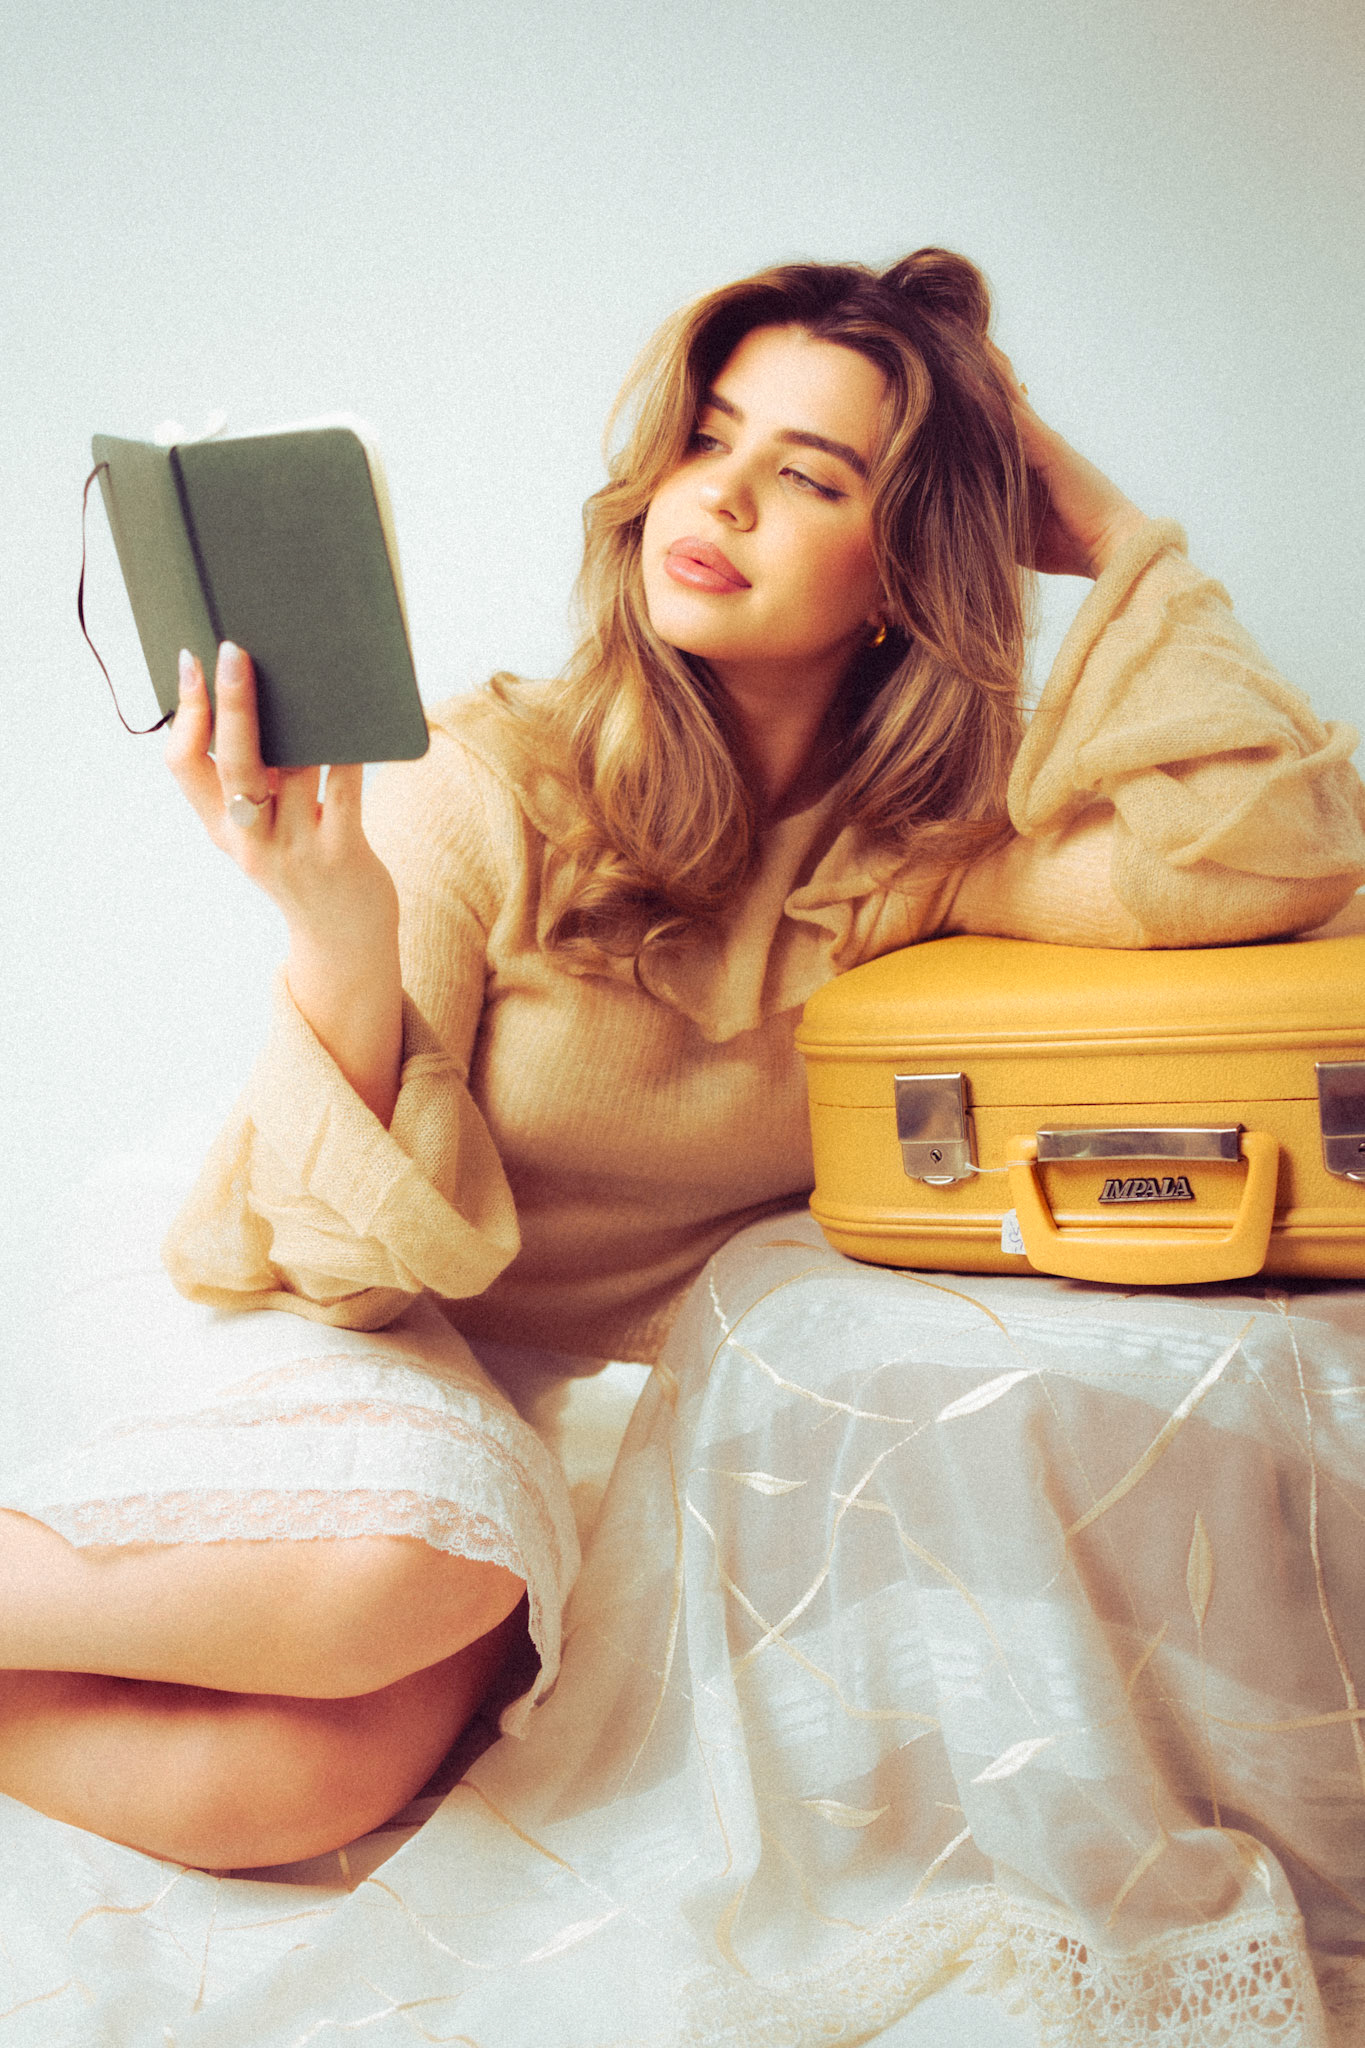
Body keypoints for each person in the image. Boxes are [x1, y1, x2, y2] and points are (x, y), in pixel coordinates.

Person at [1, 247, 1362, 1902]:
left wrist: (1097, 522)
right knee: (413, 1568)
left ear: (903, 567)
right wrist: (339, 931)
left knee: (310, 1782)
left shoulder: (921, 862)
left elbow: (1265, 855)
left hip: (503, 1402)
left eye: (809, 476)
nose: (714, 497)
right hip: (288, 1282)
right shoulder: (480, 780)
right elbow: (338, 1265)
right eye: (707, 439)